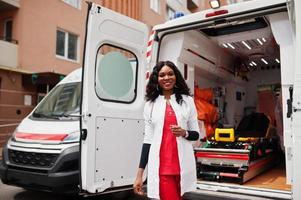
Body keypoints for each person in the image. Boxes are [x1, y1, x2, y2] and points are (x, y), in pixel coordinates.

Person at [133, 61, 200, 199]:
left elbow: (196, 134)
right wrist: (140, 175)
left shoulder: (187, 101)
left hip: (183, 167)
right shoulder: (150, 105)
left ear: (176, 76)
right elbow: (148, 140)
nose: (166, 78)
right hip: (162, 169)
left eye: (170, 74)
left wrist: (184, 132)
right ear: (156, 79)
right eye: (162, 75)